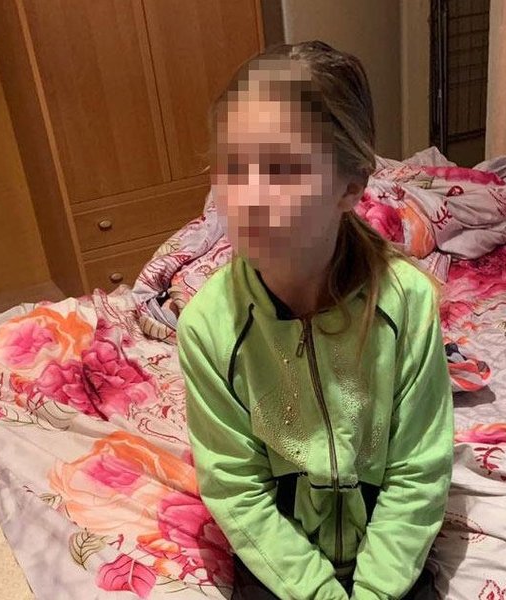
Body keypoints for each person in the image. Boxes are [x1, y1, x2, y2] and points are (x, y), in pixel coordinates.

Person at [176, 40, 454, 600]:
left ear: (351, 185)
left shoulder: (408, 304)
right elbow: (237, 491)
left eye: (282, 168)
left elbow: (418, 472)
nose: (249, 197)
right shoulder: (208, 329)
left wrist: (374, 592)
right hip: (282, 568)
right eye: (232, 167)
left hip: (389, 561)